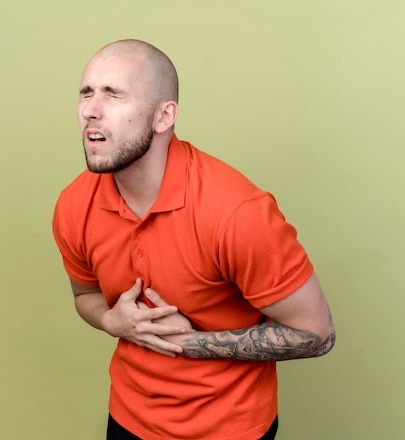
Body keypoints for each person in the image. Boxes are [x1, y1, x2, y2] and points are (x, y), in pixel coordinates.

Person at [52, 39, 335, 440]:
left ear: (163, 115)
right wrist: (113, 321)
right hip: (129, 420)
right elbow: (85, 297)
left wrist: (190, 342)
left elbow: (317, 334)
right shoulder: (73, 205)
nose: (89, 111)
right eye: (86, 93)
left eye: (113, 94)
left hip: (232, 429)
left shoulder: (236, 212)